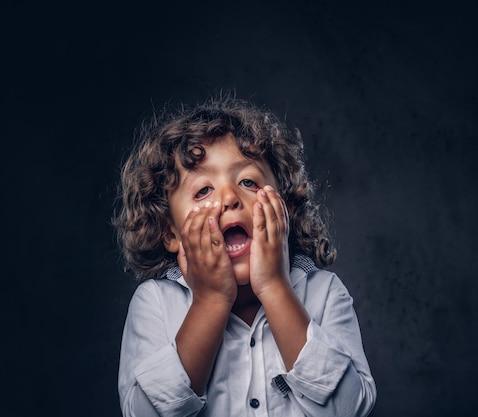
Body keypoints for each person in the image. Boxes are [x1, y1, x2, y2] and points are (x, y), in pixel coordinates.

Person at [113, 93, 377, 417]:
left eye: (248, 181)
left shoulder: (323, 293)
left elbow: (351, 410)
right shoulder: (155, 303)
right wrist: (210, 301)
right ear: (170, 232)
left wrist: (275, 287)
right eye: (203, 190)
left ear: (285, 209)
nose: (229, 198)